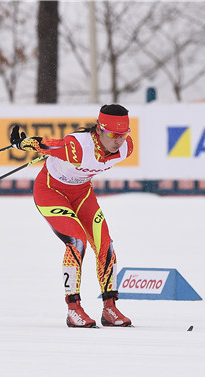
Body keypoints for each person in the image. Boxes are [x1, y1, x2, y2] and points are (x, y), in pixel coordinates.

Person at [10, 104, 133, 328]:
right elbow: (46, 143)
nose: (119, 141)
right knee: (77, 242)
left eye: (124, 135)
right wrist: (21, 142)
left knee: (106, 244)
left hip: (82, 193)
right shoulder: (78, 146)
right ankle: (73, 309)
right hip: (51, 192)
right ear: (100, 130)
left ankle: (110, 308)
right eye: (114, 135)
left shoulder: (126, 149)